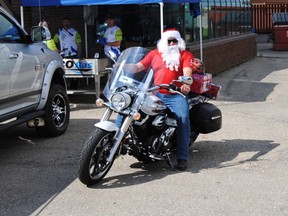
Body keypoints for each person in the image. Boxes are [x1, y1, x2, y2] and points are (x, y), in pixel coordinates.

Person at [121, 29, 194, 171]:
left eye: (175, 41)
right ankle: (119, 142)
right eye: (169, 41)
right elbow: (138, 67)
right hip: (154, 94)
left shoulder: (185, 54)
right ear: (163, 42)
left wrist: (186, 84)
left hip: (175, 95)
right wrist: (122, 66)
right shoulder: (154, 54)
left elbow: (187, 71)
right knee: (128, 108)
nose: (172, 43)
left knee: (183, 119)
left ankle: (182, 157)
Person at [54, 17, 82, 88]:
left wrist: (79, 56)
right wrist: (57, 50)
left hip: (73, 55)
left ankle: (74, 87)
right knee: (64, 72)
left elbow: (79, 45)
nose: (66, 24)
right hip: (63, 55)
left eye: (67, 22)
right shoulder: (59, 32)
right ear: (62, 23)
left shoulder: (75, 32)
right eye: (64, 22)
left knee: (74, 73)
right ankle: (65, 87)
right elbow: (53, 42)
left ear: (70, 23)